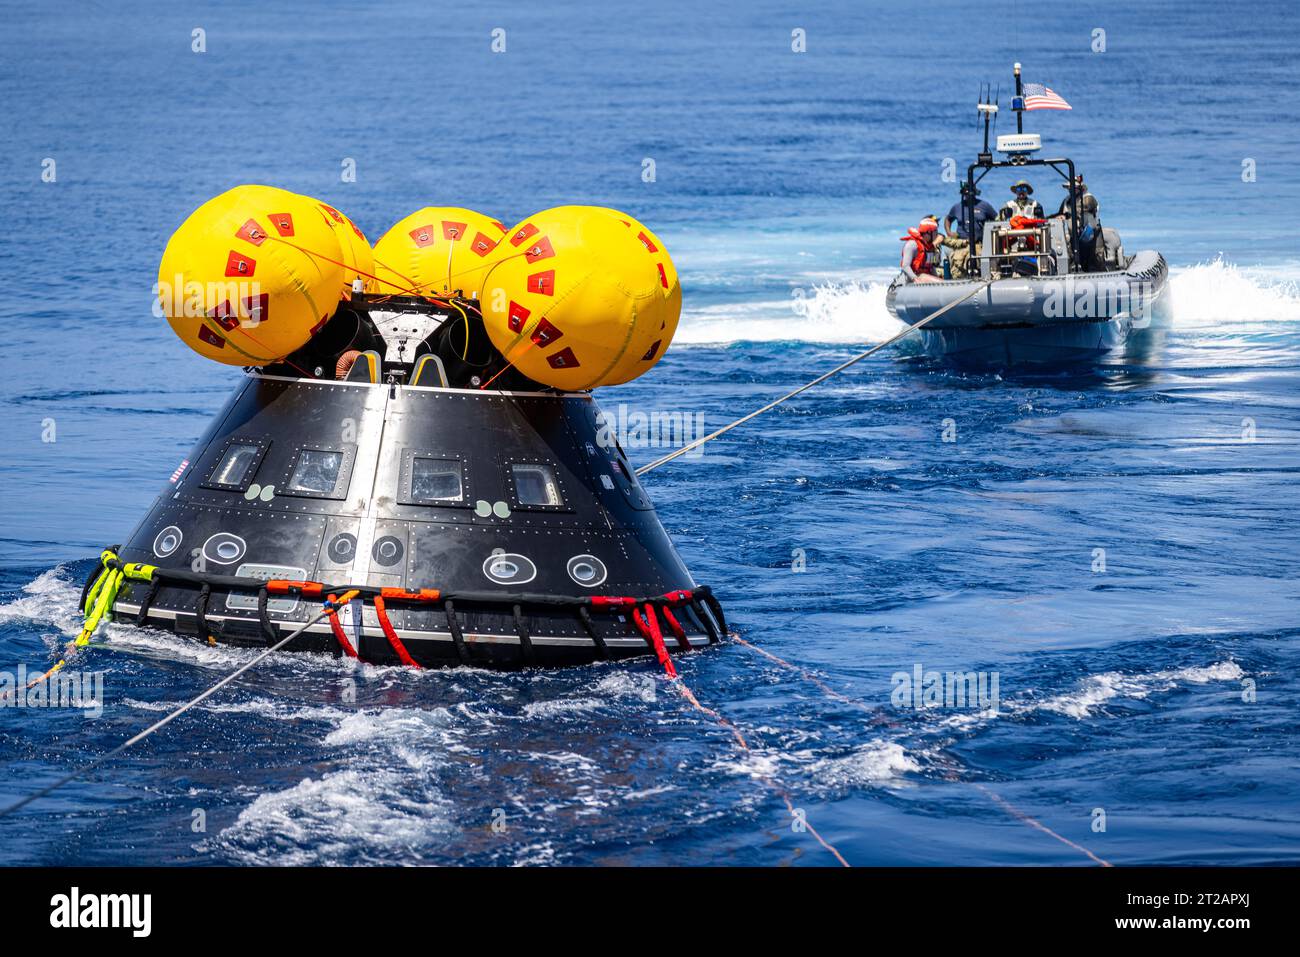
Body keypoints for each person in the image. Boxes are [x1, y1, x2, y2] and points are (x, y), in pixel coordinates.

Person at [943, 183, 996, 278]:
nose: (967, 196)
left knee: (977, 263)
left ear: (974, 193)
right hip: (961, 242)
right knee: (958, 264)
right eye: (965, 193)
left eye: (969, 193)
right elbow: (948, 219)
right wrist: (949, 233)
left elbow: (996, 219)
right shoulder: (957, 207)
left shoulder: (984, 206)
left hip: (978, 243)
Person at [1054, 175, 1103, 271]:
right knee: (1074, 257)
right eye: (1068, 188)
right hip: (1073, 236)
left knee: (1095, 258)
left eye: (1072, 188)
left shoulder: (1089, 198)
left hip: (1091, 235)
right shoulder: (1066, 200)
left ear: (1079, 188)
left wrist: (1066, 216)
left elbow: (1080, 209)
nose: (1070, 190)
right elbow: (1059, 213)